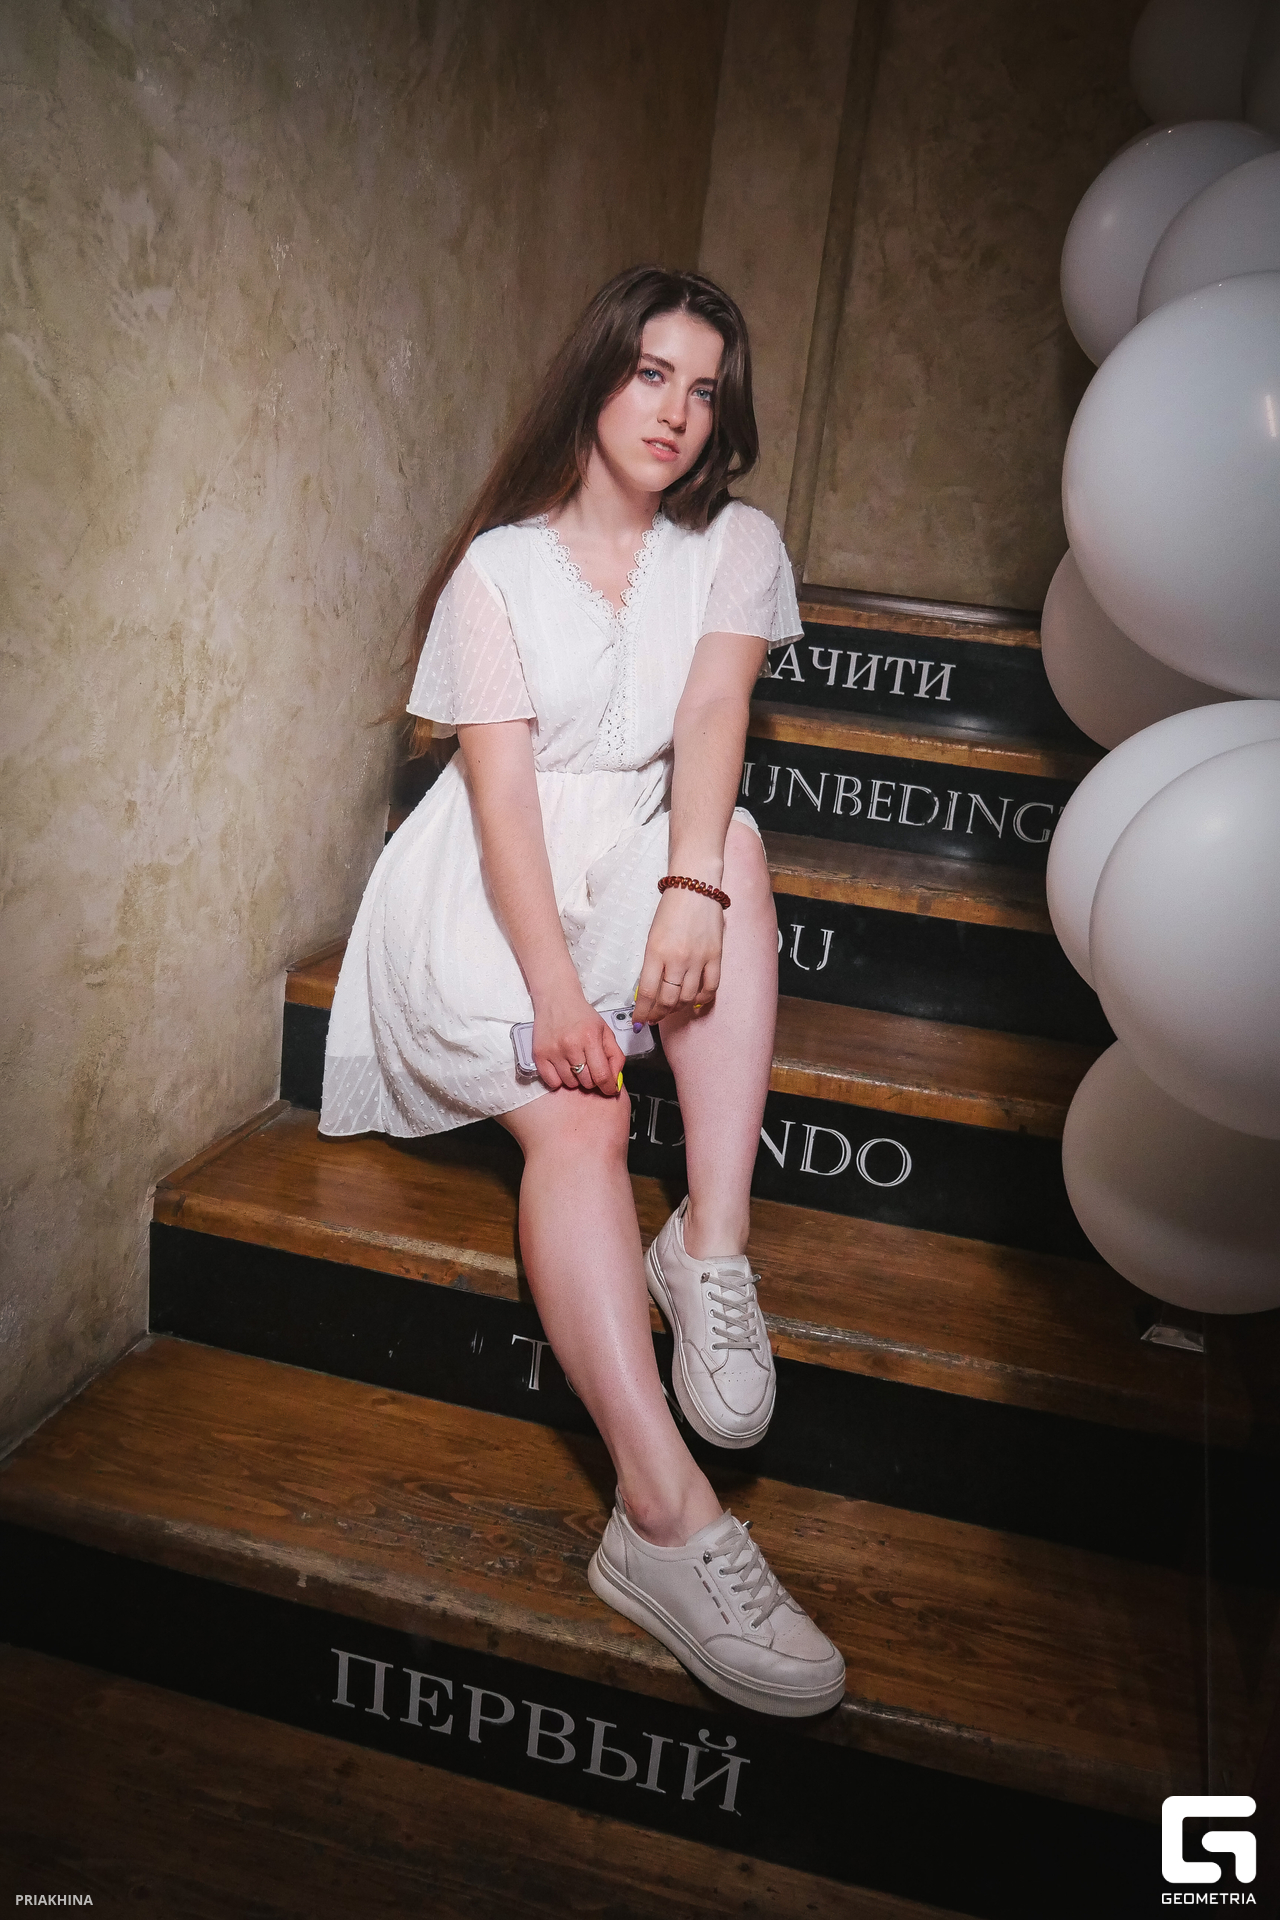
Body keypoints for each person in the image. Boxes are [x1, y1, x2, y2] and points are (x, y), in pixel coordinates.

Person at [320, 266, 846, 1719]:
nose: (677, 412)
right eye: (651, 374)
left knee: (731, 847)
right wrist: (557, 999)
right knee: (584, 1117)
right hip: (481, 897)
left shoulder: (733, 545)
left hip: (630, 856)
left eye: (705, 389)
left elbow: (716, 713)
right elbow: (497, 807)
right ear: (598, 376)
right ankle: (663, 1521)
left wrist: (688, 886)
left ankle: (712, 1249)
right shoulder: (498, 568)